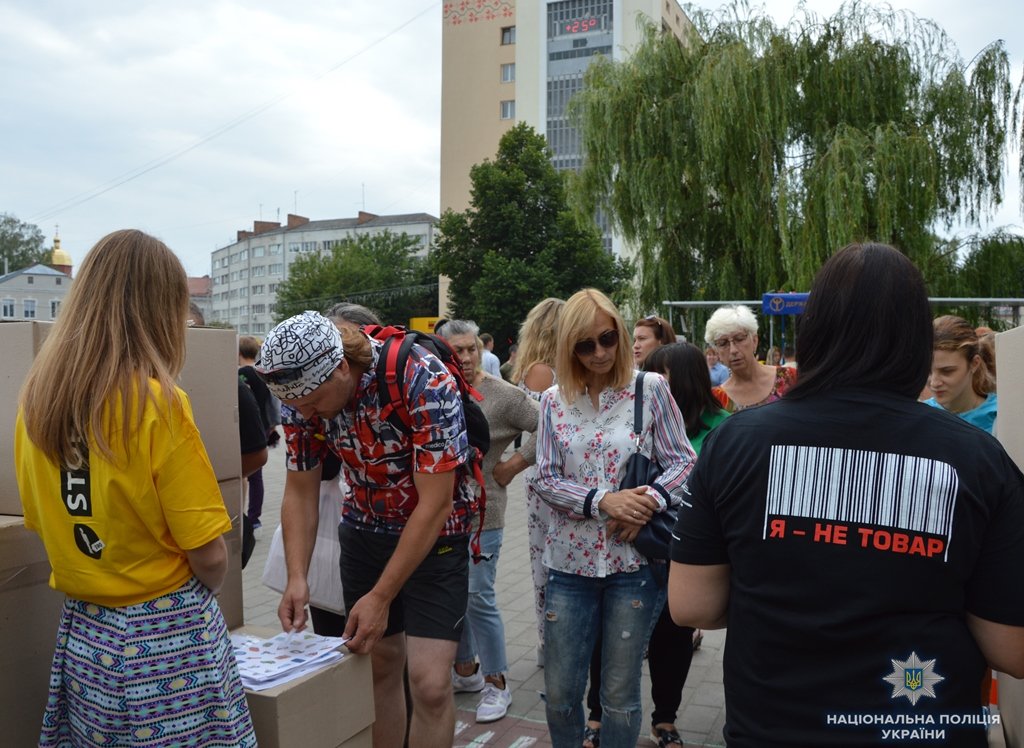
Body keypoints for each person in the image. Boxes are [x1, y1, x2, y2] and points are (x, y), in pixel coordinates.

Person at [670, 243, 1024, 747]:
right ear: (914, 339)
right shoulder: (978, 459)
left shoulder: (734, 443)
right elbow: (1012, 648)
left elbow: (692, 606)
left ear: (814, 329)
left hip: (774, 728)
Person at [14, 229, 255, 746]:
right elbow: (208, 553)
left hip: (86, 634)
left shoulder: (36, 404)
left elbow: (41, 520)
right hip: (166, 638)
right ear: (158, 312)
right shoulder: (157, 404)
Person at [257, 310, 474, 748]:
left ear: (341, 366)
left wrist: (381, 596)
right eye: (298, 408)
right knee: (378, 665)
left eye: (314, 402)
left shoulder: (421, 378)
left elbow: (436, 504)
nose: (306, 414)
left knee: (430, 684)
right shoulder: (299, 396)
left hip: (436, 536)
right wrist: (297, 577)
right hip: (363, 531)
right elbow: (300, 490)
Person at [536, 288, 695, 748]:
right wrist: (603, 501)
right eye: (585, 344)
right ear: (569, 347)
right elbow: (545, 477)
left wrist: (648, 500)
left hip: (633, 565)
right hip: (569, 565)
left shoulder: (650, 388)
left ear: (620, 335)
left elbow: (684, 461)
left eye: (607, 338)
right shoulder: (553, 400)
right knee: (560, 694)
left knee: (620, 695)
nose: (600, 352)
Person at [439, 321, 540, 723]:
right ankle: (466, 671)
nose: (465, 358)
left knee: (478, 595)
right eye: (456, 350)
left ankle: (497, 682)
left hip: (486, 512)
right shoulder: (432, 388)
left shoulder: (503, 394)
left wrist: (513, 465)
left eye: (471, 349)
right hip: (440, 513)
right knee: (454, 594)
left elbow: (550, 425)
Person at [510, 297, 565, 666]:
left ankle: (554, 642)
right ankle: (552, 642)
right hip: (550, 478)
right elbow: (541, 431)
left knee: (548, 560)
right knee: (549, 562)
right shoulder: (544, 371)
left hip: (547, 478)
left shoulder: (535, 369)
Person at [705, 305, 796, 412]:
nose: (733, 350)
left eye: (739, 339)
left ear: (754, 341)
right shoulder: (716, 400)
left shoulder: (790, 378)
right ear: (717, 351)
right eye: (723, 343)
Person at [924, 315, 997, 435]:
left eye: (947, 371)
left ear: (974, 364)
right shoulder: (921, 414)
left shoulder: (1000, 414)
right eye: (927, 371)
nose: (934, 383)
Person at [239, 335, 275, 536]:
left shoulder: (242, 374)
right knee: (257, 477)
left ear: (239, 352)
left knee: (246, 475)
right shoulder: (263, 371)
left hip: (248, 428)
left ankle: (247, 518)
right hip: (264, 424)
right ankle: (255, 518)